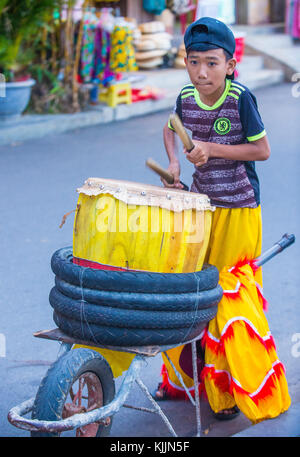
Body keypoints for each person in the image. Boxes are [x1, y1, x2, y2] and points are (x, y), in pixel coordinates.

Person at [153, 17, 291, 423]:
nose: (202, 72)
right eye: (194, 62)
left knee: (226, 297)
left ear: (230, 64)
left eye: (212, 63)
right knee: (193, 294)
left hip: (240, 209)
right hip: (201, 209)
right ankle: (184, 381)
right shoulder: (186, 95)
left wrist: (211, 148)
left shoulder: (240, 98)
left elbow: (262, 151)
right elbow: (169, 127)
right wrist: (175, 163)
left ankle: (226, 392)